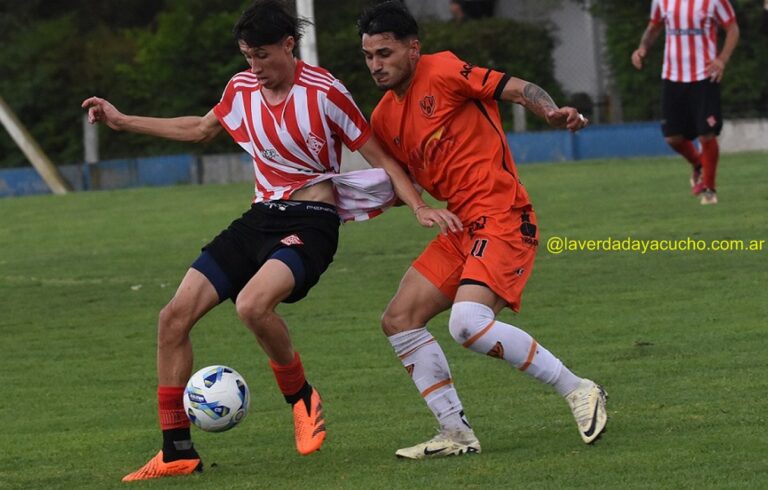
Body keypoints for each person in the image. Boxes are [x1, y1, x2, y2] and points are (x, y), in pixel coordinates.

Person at [83, 0, 459, 481]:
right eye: (247, 56)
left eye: (262, 55)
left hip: (313, 221)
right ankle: (176, 449)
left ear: (288, 44)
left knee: (252, 306)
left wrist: (421, 205)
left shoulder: (325, 91)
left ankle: (301, 396)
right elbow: (200, 128)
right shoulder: (241, 88)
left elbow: (378, 154)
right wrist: (122, 120)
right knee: (172, 318)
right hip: (260, 218)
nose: (254, 67)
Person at [357, 1, 607, 459]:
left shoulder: (444, 69)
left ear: (413, 49)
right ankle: (455, 433)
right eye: (369, 56)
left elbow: (515, 88)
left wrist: (549, 111)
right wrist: (407, 205)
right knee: (398, 320)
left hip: (504, 213)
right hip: (460, 224)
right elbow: (396, 179)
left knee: (467, 325)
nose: (376, 65)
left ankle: (580, 389)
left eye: (385, 53)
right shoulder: (383, 119)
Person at [631, 0, 739, 205]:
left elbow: (732, 28)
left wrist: (722, 59)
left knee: (706, 133)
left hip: (704, 75)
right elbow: (653, 28)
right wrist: (642, 49)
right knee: (672, 137)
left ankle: (709, 190)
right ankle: (699, 164)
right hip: (672, 76)